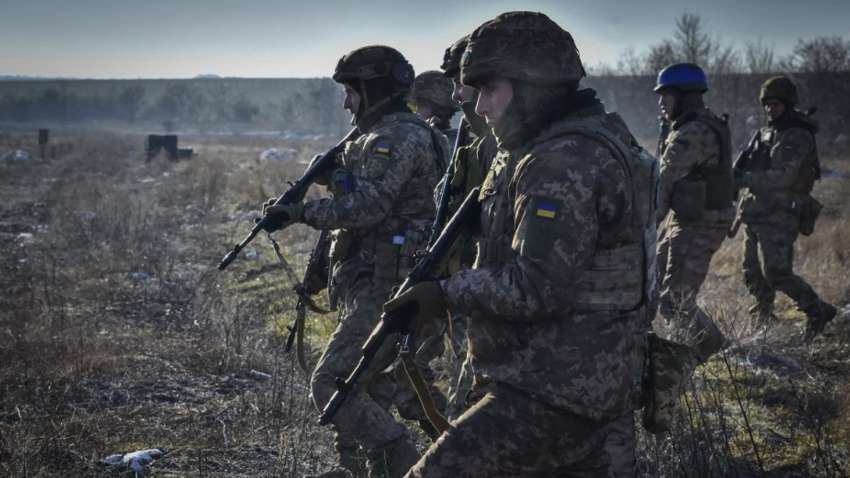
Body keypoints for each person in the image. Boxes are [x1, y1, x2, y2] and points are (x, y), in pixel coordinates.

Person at [382, 12, 658, 476]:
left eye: (490, 90)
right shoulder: (584, 140)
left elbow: (538, 286)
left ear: (533, 87)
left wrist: (444, 293)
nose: (481, 106)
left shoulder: (560, 159)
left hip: (551, 387)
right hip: (593, 381)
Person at [263, 45, 444, 478]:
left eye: (351, 92)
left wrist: (301, 212)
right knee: (371, 387)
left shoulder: (396, 137)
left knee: (331, 384)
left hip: (390, 286)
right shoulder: (378, 136)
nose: (346, 103)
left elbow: (370, 207)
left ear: (373, 89)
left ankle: (407, 460)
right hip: (376, 280)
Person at [735, 76, 836, 339]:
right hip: (757, 211)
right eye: (766, 104)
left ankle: (817, 310)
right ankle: (764, 315)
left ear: (788, 104)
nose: (770, 109)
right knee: (752, 271)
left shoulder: (797, 135)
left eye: (775, 104)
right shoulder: (768, 132)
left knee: (777, 272)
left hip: (781, 213)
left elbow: (782, 178)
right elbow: (746, 164)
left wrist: (744, 179)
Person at [653, 62, 734, 363]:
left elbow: (665, 181)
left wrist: (647, 227)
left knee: (676, 300)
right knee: (658, 284)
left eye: (666, 96)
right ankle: (711, 347)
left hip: (699, 221)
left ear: (685, 96)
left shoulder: (691, 132)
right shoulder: (699, 124)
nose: (661, 103)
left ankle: (707, 351)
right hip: (689, 217)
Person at [409, 70, 460, 145]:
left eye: (419, 106)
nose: (416, 113)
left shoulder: (419, 143)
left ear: (427, 103)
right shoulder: (463, 142)